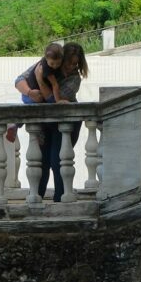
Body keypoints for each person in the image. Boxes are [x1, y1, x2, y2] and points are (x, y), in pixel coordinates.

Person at [38, 42, 89, 202]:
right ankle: (37, 196)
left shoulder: (75, 79)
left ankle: (60, 197)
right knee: (42, 160)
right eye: (69, 62)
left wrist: (41, 81)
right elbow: (21, 79)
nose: (71, 67)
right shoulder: (50, 66)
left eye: (75, 64)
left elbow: (53, 99)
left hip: (67, 123)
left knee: (57, 159)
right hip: (48, 122)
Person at [5, 43, 64, 143]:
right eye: (52, 64)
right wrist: (58, 101)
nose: (55, 67)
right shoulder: (45, 67)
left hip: (30, 94)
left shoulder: (45, 63)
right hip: (30, 95)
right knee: (36, 108)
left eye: (58, 64)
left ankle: (16, 125)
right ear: (46, 58)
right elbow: (54, 85)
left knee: (31, 109)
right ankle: (36, 131)